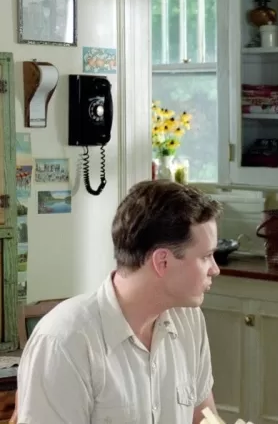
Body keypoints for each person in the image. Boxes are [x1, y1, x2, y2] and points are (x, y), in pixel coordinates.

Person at [15, 180, 223, 424]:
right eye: (206, 256)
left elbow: (204, 417)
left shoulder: (188, 320)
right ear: (162, 262)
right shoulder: (64, 342)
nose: (215, 269)